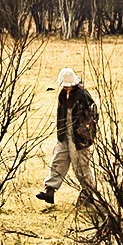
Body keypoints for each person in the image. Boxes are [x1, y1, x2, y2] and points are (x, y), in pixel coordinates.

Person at [36, 67, 98, 206]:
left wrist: (86, 135)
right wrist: (61, 133)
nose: (66, 87)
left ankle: (88, 194)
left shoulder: (83, 96)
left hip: (80, 139)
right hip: (65, 134)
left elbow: (92, 116)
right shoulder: (63, 95)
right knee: (58, 160)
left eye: (68, 85)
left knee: (81, 167)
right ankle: (49, 190)